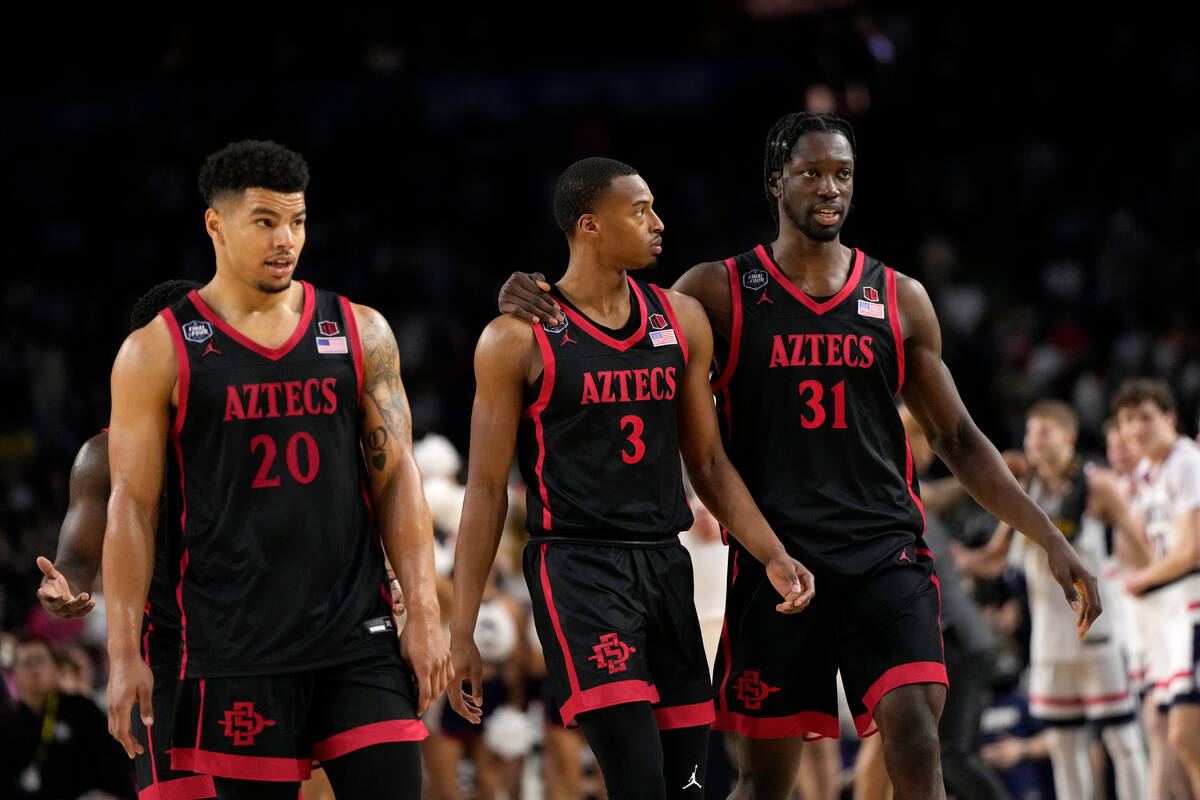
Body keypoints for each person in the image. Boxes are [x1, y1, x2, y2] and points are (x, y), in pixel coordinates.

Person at [497, 112, 1100, 800]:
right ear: (775, 180)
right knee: (764, 781)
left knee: (916, 733)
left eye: (842, 173)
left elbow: (958, 439)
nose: (829, 187)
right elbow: (608, 315)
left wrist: (1048, 536)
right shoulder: (716, 292)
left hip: (884, 554)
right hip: (775, 565)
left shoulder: (900, 298)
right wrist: (525, 290)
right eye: (811, 172)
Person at [450, 157, 815, 800]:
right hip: (579, 569)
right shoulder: (515, 338)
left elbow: (707, 463)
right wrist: (462, 627)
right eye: (640, 210)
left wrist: (772, 552)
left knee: (692, 784)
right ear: (590, 225)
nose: (658, 222)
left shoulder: (680, 319)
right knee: (639, 779)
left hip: (666, 566)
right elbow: (483, 490)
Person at [101, 139, 451, 800]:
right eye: (264, 220)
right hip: (236, 651)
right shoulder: (157, 351)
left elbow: (397, 477)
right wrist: (123, 655)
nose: (285, 239)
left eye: (297, 221)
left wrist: (426, 612)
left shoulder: (359, 330)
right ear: (216, 225)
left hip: (357, 639)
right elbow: (132, 505)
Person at [34, 279, 218, 800]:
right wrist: (61, 586)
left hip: (257, 650)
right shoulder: (102, 455)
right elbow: (76, 556)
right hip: (163, 664)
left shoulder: (249, 436)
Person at [953, 400, 1147, 800]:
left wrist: (1142, 584)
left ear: (1069, 437)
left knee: (1122, 741)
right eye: (1030, 432)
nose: (1033, 441)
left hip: (1099, 636)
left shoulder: (1098, 486)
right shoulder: (1024, 493)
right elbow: (993, 560)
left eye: (1044, 432)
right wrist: (951, 557)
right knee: (1062, 745)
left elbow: (1141, 544)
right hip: (1048, 642)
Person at [1112, 378, 1200, 797]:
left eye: (1145, 417)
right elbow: (1147, 551)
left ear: (1169, 418)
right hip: (1169, 612)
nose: (1136, 429)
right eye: (1128, 420)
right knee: (1171, 732)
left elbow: (1193, 550)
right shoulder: (1146, 476)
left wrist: (1141, 579)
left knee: (1185, 735)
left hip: (1193, 604)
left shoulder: (1185, 461)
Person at [0, 634, 134, 799]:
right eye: (27, 663)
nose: (35, 671)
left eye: (40, 661)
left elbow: (115, 762)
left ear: (55, 668)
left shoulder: (81, 709)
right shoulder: (9, 725)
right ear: (14, 674)